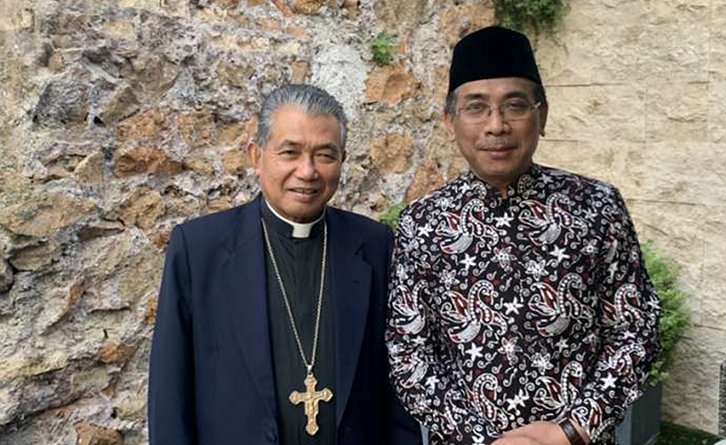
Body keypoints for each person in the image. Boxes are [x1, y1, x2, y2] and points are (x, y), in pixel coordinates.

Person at [386, 26, 660, 445]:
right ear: (450, 121)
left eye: (514, 105)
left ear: (542, 115)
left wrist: (571, 430)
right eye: (476, 107)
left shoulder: (597, 206)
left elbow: (635, 329)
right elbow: (410, 354)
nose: (496, 126)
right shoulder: (422, 224)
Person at [149, 84, 422, 445]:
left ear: (342, 158)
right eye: (289, 152)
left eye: (324, 155)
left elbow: (397, 389)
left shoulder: (374, 245)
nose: (307, 171)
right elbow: (170, 396)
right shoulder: (199, 250)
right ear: (256, 155)